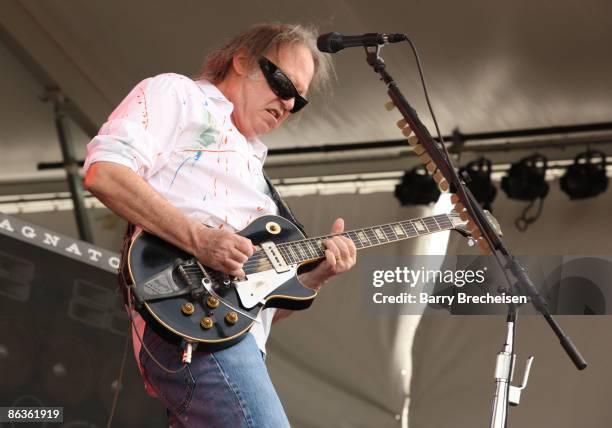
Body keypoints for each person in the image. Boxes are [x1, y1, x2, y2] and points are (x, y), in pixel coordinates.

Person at [84, 22, 357, 427]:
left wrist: (313, 278)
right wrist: (200, 240)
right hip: (188, 332)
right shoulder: (180, 95)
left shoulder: (259, 185)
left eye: (298, 101)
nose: (286, 104)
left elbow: (252, 305)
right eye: (282, 84)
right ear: (242, 60)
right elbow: (104, 171)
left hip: (227, 336)